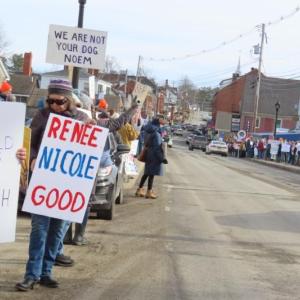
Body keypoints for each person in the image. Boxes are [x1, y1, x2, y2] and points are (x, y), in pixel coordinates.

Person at [16, 79, 90, 292]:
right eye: (50, 101)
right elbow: (29, 143)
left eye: (59, 101)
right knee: (39, 230)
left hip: (68, 186)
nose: (55, 105)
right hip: (43, 183)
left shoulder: (83, 119)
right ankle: (31, 275)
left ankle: (46, 272)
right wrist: (30, 156)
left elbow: (88, 151)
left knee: (57, 232)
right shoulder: (42, 116)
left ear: (69, 100)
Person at [135, 118, 167, 199]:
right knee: (151, 174)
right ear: (158, 125)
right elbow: (157, 147)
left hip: (148, 153)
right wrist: (162, 158)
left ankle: (139, 189)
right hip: (154, 156)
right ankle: (149, 191)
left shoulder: (147, 131)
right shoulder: (156, 133)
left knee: (146, 173)